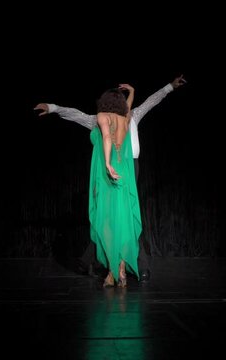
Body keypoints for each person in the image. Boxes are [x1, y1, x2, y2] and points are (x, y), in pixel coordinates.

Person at [35, 75, 187, 282]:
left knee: (120, 215)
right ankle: (102, 263)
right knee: (113, 216)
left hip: (129, 166)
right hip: (110, 168)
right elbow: (75, 114)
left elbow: (152, 100)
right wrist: (53, 108)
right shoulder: (100, 120)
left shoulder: (131, 115)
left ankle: (122, 265)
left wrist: (169, 87)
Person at [91, 84, 140, 287]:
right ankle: (121, 271)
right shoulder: (125, 118)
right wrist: (132, 92)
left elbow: (106, 137)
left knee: (108, 223)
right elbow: (127, 108)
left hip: (107, 173)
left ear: (104, 101)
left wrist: (108, 163)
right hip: (125, 173)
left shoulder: (103, 116)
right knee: (123, 222)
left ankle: (111, 273)